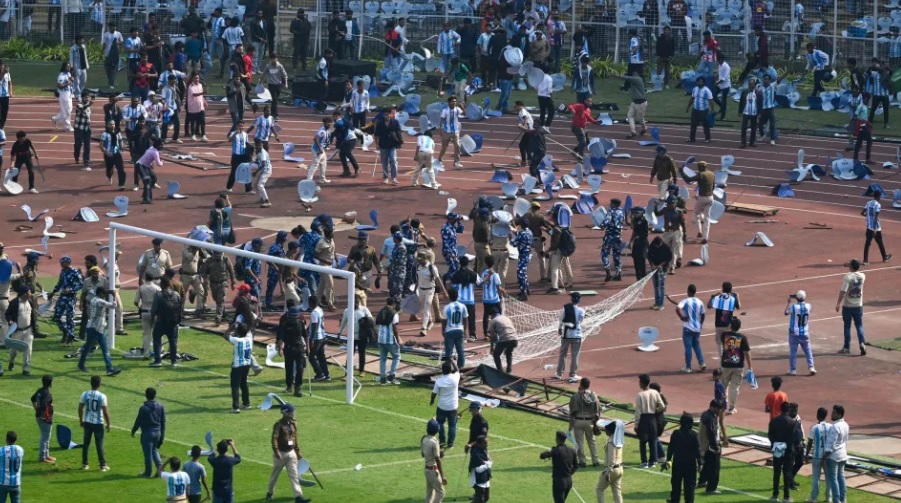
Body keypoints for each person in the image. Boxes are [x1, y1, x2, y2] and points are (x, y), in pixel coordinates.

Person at [267, 403, 310, 503]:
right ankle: (269, 493)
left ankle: (298, 497)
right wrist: (276, 450)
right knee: (274, 476)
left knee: (294, 475)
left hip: (291, 453)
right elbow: (274, 438)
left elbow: (295, 438)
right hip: (281, 454)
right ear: (285, 413)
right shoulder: (278, 424)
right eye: (290, 412)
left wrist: (297, 451)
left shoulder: (293, 424)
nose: (292, 414)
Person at [77, 285, 122, 376]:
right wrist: (114, 296)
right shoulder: (100, 301)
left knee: (87, 347)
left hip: (90, 326)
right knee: (105, 350)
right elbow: (113, 306)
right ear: (101, 294)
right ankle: (109, 369)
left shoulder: (93, 299)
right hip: (98, 328)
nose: (105, 295)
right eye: (104, 294)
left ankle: (81, 364)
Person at [663, 413, 702, 503]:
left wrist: (668, 460)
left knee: (676, 485)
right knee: (690, 488)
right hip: (690, 466)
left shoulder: (676, 433)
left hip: (678, 464)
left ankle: (674, 500)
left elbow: (671, 448)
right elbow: (698, 451)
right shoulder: (694, 435)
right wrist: (700, 463)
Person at [768, 402, 801, 501]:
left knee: (776, 472)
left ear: (781, 409)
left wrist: (775, 444)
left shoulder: (774, 421)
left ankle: (775, 495)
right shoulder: (793, 422)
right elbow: (797, 438)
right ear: (788, 410)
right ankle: (786, 497)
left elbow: (770, 435)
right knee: (787, 472)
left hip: (777, 447)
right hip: (788, 449)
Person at [78, 375, 111, 472]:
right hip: (98, 423)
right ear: (99, 384)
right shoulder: (102, 396)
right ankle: (102, 465)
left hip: (87, 422)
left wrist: (81, 420)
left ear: (90, 383)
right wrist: (108, 423)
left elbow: (80, 408)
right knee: (99, 444)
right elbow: (105, 412)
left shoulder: (84, 394)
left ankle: (85, 464)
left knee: (86, 444)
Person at [131, 387, 165, 478]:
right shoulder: (160, 406)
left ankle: (148, 472)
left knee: (148, 454)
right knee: (154, 450)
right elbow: (163, 422)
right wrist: (162, 436)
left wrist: (133, 430)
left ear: (146, 395)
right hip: (157, 432)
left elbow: (138, 421)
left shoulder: (143, 408)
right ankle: (160, 468)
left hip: (147, 433)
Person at [49, 256, 83, 346]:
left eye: (63, 263)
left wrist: (71, 289)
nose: (61, 264)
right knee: (56, 316)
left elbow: (81, 284)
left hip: (71, 298)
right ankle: (65, 331)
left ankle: (70, 337)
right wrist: (53, 292)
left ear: (68, 263)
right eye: (61, 263)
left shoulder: (75, 272)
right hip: (62, 296)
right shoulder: (63, 272)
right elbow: (59, 283)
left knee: (69, 317)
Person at [719, 317, 751, 415]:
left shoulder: (724, 335)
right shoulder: (743, 338)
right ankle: (731, 407)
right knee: (734, 387)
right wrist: (750, 367)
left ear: (731, 326)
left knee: (723, 386)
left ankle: (722, 405)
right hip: (738, 366)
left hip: (725, 364)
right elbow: (747, 354)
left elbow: (723, 336)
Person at [835, 259, 866, 355]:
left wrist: (838, 303)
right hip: (858, 305)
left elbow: (843, 291)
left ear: (851, 267)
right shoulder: (863, 276)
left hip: (848, 306)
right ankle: (862, 343)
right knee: (859, 325)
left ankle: (847, 347)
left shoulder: (847, 277)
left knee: (847, 326)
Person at [5, 286, 37, 376]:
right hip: (17, 331)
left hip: (28, 331)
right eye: (29, 292)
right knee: (14, 351)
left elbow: (32, 317)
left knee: (28, 349)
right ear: (24, 294)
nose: (31, 293)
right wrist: (10, 320)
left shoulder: (30, 302)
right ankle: (11, 362)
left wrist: (34, 330)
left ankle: (26, 369)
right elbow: (8, 314)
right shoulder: (14, 303)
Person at [568, 377, 601, 468]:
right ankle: (595, 460)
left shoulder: (575, 396)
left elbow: (572, 412)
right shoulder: (594, 395)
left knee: (579, 442)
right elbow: (598, 409)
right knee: (592, 441)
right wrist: (595, 421)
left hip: (578, 421)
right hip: (590, 421)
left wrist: (570, 425)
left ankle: (582, 461)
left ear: (581, 384)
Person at [149, 276, 181, 368]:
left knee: (156, 340)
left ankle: (158, 360)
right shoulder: (176, 294)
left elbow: (154, 310)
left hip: (161, 322)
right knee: (173, 342)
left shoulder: (158, 295)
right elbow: (180, 309)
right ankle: (173, 361)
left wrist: (152, 319)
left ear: (162, 284)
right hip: (173, 322)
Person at [634, 373, 665, 468]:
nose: (639, 384)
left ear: (643, 383)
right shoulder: (655, 393)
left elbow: (638, 411)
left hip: (644, 418)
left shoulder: (640, 395)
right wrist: (655, 411)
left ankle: (644, 462)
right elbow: (662, 406)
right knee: (653, 440)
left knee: (643, 441)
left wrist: (636, 424)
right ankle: (653, 461)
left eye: (640, 382)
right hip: (653, 418)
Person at [277, 301, 307, 397]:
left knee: (300, 368)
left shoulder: (300, 324)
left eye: (295, 317)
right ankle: (289, 385)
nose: (294, 319)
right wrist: (280, 348)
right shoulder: (284, 325)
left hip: (299, 348)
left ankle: (298, 387)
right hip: (289, 348)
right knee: (289, 368)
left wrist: (308, 347)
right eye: (292, 317)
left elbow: (305, 336)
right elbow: (280, 338)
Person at [539, 431, 578, 503]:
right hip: (569, 481)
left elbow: (543, 456)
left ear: (557, 439)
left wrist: (542, 454)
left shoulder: (556, 450)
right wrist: (569, 474)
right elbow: (576, 466)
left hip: (559, 482)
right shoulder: (572, 450)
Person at [785, 290, 816, 376]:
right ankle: (811, 367)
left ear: (797, 298)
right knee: (808, 350)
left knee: (793, 352)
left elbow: (786, 312)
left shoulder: (794, 307)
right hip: (805, 333)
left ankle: (793, 369)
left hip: (794, 333)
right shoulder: (809, 306)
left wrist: (788, 302)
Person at [676, 284, 706, 373]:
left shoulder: (685, 301)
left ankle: (688, 367)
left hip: (687, 328)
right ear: (695, 292)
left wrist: (681, 317)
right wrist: (701, 324)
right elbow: (703, 314)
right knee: (696, 346)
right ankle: (702, 363)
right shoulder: (700, 302)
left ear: (688, 291)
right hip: (697, 328)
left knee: (688, 348)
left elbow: (677, 308)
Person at [430, 360, 460, 449]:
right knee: (452, 425)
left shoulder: (439, 381)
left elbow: (434, 393)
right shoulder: (455, 378)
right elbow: (457, 370)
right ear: (450, 370)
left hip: (442, 406)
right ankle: (450, 444)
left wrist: (432, 400)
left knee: (440, 424)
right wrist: (453, 361)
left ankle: (442, 441)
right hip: (453, 406)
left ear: (442, 370)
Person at [225, 322, 253, 413]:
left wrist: (230, 328)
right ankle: (246, 403)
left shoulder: (236, 340)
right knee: (244, 383)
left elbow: (225, 335)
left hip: (237, 365)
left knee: (235, 386)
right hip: (247, 364)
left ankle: (236, 407)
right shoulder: (250, 339)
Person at [556, 292, 584, 382]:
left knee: (562, 354)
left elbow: (561, 319)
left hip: (566, 334)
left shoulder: (565, 308)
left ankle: (559, 373)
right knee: (575, 355)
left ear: (571, 299)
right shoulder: (581, 311)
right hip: (577, 335)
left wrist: (560, 329)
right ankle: (572, 374)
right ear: (579, 300)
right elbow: (580, 321)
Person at [806, 407, 833, 503]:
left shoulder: (814, 428)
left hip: (817, 456)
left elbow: (809, 443)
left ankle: (814, 498)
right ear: (826, 416)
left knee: (816, 477)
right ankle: (828, 497)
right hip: (828, 457)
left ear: (817, 415)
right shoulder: (831, 427)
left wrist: (806, 455)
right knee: (828, 478)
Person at [697, 400, 723, 495]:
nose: (719, 411)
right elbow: (711, 433)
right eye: (718, 409)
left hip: (704, 446)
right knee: (714, 468)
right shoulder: (711, 418)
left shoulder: (705, 414)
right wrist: (716, 447)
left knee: (706, 466)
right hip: (710, 446)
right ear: (713, 407)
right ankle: (711, 488)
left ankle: (702, 481)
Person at [824, 405, 849, 503]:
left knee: (833, 479)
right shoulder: (846, 425)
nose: (832, 414)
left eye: (834, 413)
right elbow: (845, 441)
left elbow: (830, 444)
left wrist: (824, 457)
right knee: (841, 477)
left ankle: (836, 500)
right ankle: (843, 499)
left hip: (833, 456)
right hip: (843, 454)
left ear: (839, 414)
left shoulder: (835, 427)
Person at [708, 282, 741, 356]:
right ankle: (730, 362)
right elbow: (739, 307)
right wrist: (737, 296)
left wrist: (713, 296)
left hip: (718, 324)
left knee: (720, 344)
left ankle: (722, 365)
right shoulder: (733, 298)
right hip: (729, 324)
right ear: (731, 289)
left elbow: (709, 306)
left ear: (722, 288)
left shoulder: (718, 297)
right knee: (730, 343)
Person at [375, 297, 402, 385]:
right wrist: (398, 340)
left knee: (382, 358)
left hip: (380, 339)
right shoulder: (394, 313)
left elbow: (377, 324)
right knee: (396, 356)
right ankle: (392, 376)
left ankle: (383, 379)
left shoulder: (381, 311)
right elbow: (395, 328)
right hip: (389, 339)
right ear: (394, 304)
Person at [596, 421, 624, 503]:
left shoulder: (611, 442)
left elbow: (611, 458)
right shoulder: (619, 439)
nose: (605, 432)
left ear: (610, 431)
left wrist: (608, 471)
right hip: (620, 468)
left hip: (612, 469)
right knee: (616, 491)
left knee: (599, 489)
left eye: (606, 430)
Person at [30, 375, 55, 464]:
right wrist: (44, 416)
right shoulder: (47, 393)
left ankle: (46, 455)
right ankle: (42, 457)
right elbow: (44, 405)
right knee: (45, 437)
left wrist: (37, 409)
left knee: (46, 436)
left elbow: (33, 399)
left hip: (40, 416)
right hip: (45, 418)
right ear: (50, 383)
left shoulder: (40, 391)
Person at [209, 439, 242, 503]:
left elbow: (210, 456)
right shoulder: (230, 461)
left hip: (217, 491)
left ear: (218, 450)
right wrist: (233, 445)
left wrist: (217, 447)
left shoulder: (215, 461)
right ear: (226, 450)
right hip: (228, 491)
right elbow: (238, 458)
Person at [862, 192, 891, 264]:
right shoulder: (878, 205)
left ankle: (865, 260)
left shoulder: (868, 203)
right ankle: (884, 257)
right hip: (876, 228)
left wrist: (868, 216)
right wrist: (874, 229)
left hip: (869, 227)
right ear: (878, 197)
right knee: (880, 242)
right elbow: (876, 217)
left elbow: (862, 213)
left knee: (867, 244)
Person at [600, 198, 625, 282]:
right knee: (616, 254)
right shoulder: (622, 212)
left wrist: (602, 225)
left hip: (610, 235)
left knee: (604, 253)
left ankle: (608, 272)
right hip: (618, 235)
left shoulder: (611, 211)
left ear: (613, 204)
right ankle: (618, 272)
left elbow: (607, 220)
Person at [374, 107, 401, 184]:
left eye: (387, 114)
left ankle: (394, 178)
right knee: (384, 162)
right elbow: (376, 135)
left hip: (392, 144)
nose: (385, 116)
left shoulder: (395, 122)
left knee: (393, 160)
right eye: (384, 115)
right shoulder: (379, 123)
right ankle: (386, 178)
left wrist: (399, 142)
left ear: (390, 114)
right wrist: (377, 144)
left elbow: (398, 132)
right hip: (383, 145)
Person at [422, 418, 447, 503]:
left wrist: (438, 452)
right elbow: (437, 459)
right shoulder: (434, 442)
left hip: (427, 470)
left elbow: (423, 454)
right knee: (441, 492)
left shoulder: (424, 439)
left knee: (429, 493)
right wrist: (443, 476)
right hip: (433, 471)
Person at [438, 96, 464, 169]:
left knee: (457, 146)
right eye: (453, 101)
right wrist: (440, 130)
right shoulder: (445, 111)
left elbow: (464, 114)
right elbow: (441, 120)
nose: (454, 103)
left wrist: (462, 107)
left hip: (455, 131)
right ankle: (439, 159)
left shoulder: (457, 109)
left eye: (455, 101)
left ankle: (456, 162)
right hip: (447, 131)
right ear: (449, 102)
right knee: (444, 147)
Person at [686, 77, 715, 143]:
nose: (700, 83)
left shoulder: (707, 90)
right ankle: (692, 138)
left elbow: (711, 101)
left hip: (704, 111)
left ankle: (707, 138)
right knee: (693, 125)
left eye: (701, 81)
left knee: (705, 125)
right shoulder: (695, 89)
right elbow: (692, 99)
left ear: (704, 83)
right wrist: (688, 107)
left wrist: (712, 110)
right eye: (699, 81)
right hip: (695, 110)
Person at [621, 72, 648, 138]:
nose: (633, 74)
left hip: (641, 102)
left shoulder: (638, 79)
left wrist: (616, 75)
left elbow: (627, 78)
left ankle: (644, 128)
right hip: (634, 102)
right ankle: (633, 131)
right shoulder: (634, 81)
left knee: (640, 119)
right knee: (630, 116)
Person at [647, 237, 672, 310]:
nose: (657, 247)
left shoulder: (666, 247)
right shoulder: (652, 246)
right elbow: (649, 256)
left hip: (663, 268)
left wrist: (660, 265)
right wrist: (652, 265)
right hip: (655, 266)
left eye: (659, 245)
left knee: (661, 285)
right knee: (656, 285)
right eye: (656, 246)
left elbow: (668, 258)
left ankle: (661, 304)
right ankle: (656, 302)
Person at [0, 431, 24, 502]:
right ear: (16, 440)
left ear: (6, 439)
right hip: (16, 483)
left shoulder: (1, 450)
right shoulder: (20, 450)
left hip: (3, 483)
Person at [468, 436, 492, 503]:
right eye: (485, 442)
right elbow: (478, 470)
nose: (487, 444)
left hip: (485, 477)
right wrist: (488, 464)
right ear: (479, 444)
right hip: (478, 479)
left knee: (486, 497)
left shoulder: (484, 449)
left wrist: (487, 463)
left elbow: (488, 459)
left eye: (487, 442)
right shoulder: (476, 454)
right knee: (480, 499)